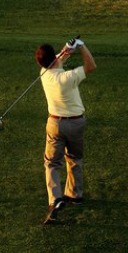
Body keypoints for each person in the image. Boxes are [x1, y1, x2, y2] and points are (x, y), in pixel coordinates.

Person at [37, 38, 97, 225]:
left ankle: (55, 199)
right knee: (74, 158)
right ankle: (74, 195)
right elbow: (91, 66)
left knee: (52, 163)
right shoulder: (67, 78)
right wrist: (81, 46)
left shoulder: (44, 73)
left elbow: (58, 59)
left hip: (55, 123)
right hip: (76, 123)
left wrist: (67, 49)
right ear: (53, 59)